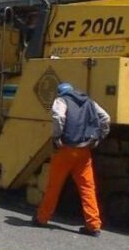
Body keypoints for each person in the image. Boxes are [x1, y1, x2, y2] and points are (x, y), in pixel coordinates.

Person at [33, 82, 111, 237]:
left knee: (54, 186)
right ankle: (93, 225)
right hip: (84, 151)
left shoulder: (61, 100)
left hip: (66, 149)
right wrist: (98, 137)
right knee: (87, 188)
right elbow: (105, 118)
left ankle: (42, 218)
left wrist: (57, 137)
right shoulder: (88, 101)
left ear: (60, 92)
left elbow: (58, 116)